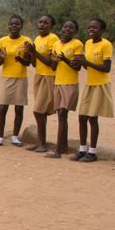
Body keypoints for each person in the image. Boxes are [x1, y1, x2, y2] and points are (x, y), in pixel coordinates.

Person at [74, 18, 113, 163]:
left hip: (100, 84)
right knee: (82, 116)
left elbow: (106, 68)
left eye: (94, 28)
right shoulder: (88, 43)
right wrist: (82, 62)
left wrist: (86, 62)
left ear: (101, 30)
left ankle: (92, 151)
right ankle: (82, 149)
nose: (91, 30)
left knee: (92, 118)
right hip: (89, 84)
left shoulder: (106, 45)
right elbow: (87, 66)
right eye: (89, 27)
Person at [46, 20, 83, 159]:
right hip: (58, 82)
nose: (67, 29)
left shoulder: (77, 44)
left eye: (71, 27)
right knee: (61, 115)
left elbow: (77, 67)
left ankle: (58, 150)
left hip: (70, 83)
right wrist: (55, 60)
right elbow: (53, 67)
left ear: (75, 31)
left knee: (62, 113)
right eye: (65, 26)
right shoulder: (56, 44)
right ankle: (64, 147)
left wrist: (65, 59)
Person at [0, 14, 30, 146]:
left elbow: (28, 63)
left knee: (19, 108)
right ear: (8, 26)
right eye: (11, 24)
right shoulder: (3, 41)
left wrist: (20, 59)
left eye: (17, 24)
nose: (14, 26)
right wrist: (2, 57)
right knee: (3, 106)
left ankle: (15, 136)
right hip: (7, 77)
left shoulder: (26, 41)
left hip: (21, 77)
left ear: (21, 26)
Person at [25, 14, 58, 152]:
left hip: (48, 76)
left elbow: (51, 63)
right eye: (40, 22)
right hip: (38, 75)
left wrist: (36, 52)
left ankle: (42, 144)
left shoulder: (53, 39)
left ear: (51, 26)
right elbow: (34, 63)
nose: (42, 25)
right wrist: (30, 53)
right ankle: (40, 143)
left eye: (46, 23)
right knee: (41, 112)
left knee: (38, 111)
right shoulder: (37, 39)